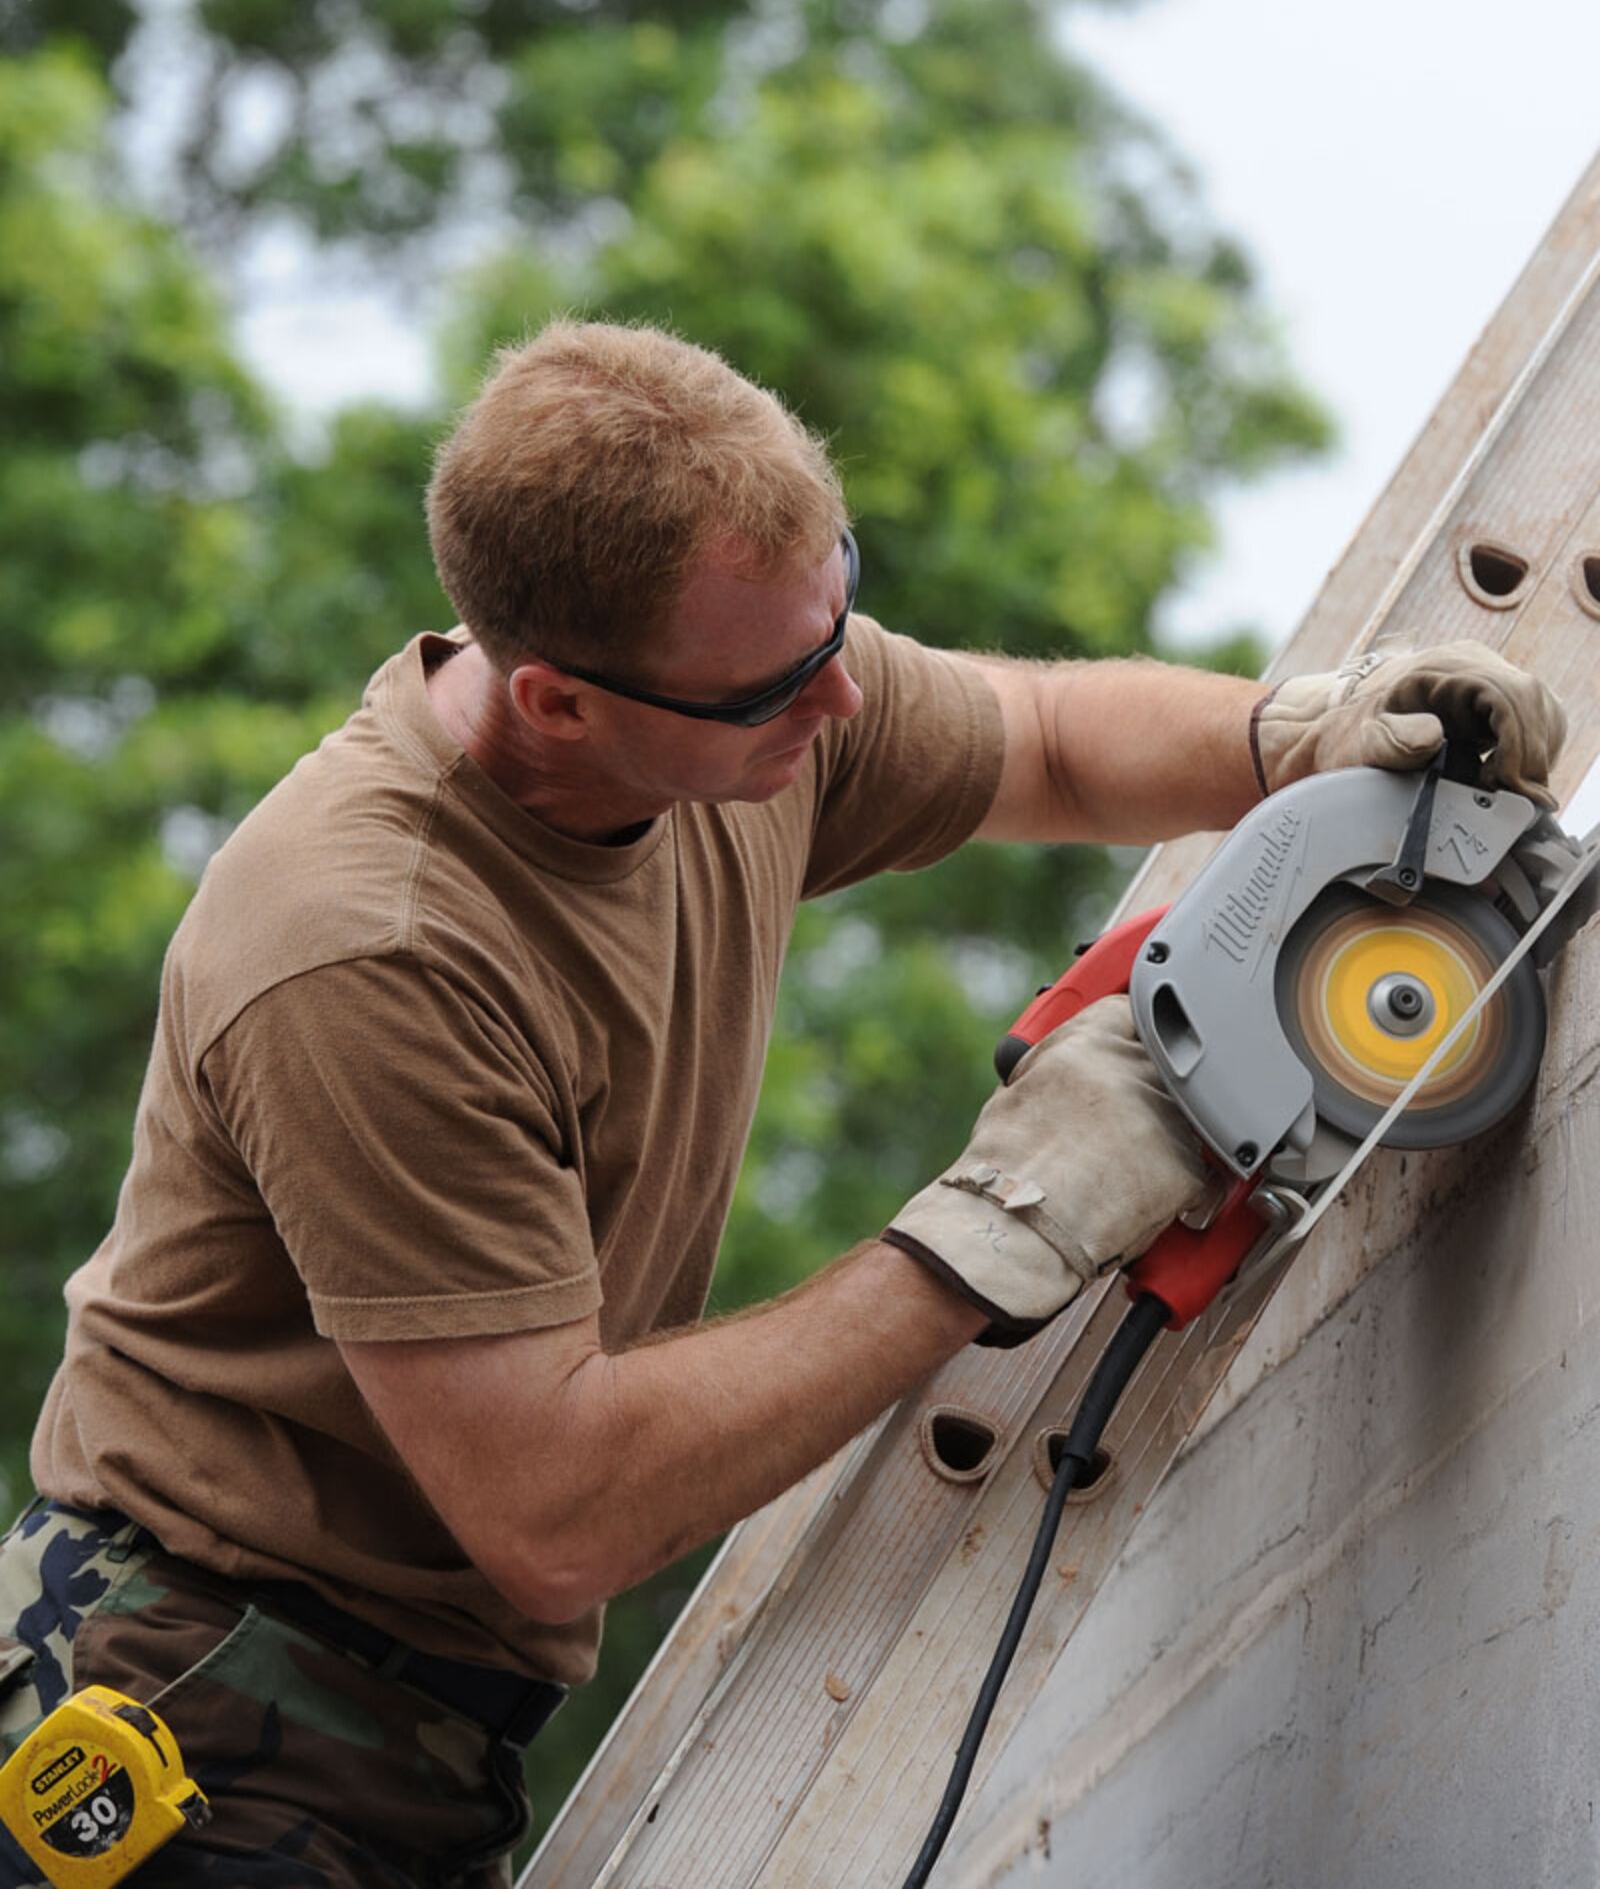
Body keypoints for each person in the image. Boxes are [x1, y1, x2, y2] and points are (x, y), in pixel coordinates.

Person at [0, 322, 1565, 1887]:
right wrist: (997, 1224)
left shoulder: (739, 693)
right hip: (190, 1723)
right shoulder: (371, 951)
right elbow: (561, 1510)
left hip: (408, 1735)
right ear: (554, 706)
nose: (840, 704)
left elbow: (1045, 744)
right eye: (781, 686)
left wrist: (1305, 736)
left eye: (842, 620)